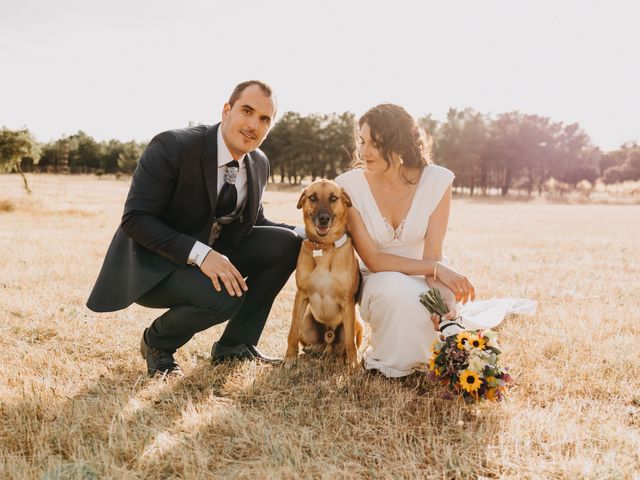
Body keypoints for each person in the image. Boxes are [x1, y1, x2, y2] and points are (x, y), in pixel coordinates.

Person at [87, 80, 303, 376]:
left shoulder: (258, 162)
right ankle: (157, 343)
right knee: (227, 296)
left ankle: (235, 346)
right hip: (155, 266)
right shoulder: (173, 146)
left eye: (265, 118)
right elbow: (136, 218)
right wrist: (202, 255)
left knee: (288, 243)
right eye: (247, 111)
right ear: (226, 110)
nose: (254, 124)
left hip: (212, 256)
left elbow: (253, 223)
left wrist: (307, 233)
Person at [335, 104, 534, 378]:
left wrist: (445, 297)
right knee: (394, 290)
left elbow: (433, 254)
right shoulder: (349, 186)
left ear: (399, 144)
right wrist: (437, 269)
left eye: (375, 144)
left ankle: (441, 355)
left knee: (435, 309)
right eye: (362, 141)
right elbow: (374, 260)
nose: (364, 152)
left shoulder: (436, 181)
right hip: (376, 279)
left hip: (424, 275)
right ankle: (390, 361)